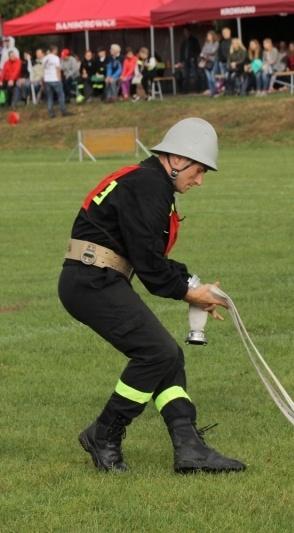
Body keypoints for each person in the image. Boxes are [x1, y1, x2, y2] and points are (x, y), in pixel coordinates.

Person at [59, 117, 246, 474]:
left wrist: (192, 284)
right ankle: (104, 434)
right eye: (198, 170)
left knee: (167, 355)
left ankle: (189, 447)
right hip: (91, 281)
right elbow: (149, 267)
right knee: (156, 352)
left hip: (95, 278)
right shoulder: (149, 186)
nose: (200, 180)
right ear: (176, 159)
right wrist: (190, 292)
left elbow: (149, 258)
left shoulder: (147, 182)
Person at [42, 44, 70, 118]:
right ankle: (63, 111)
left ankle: (51, 113)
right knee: (60, 96)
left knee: (50, 97)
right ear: (54, 50)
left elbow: (44, 69)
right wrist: (60, 79)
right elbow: (58, 69)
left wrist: (44, 78)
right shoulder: (56, 58)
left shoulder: (45, 58)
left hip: (47, 80)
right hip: (54, 79)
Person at [177, 27, 201, 93]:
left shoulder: (194, 40)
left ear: (189, 32)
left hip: (192, 59)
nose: (185, 33)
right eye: (184, 32)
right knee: (185, 75)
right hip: (185, 59)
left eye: (186, 31)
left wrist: (194, 56)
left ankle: (198, 89)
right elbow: (181, 51)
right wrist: (181, 61)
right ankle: (185, 90)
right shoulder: (183, 41)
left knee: (195, 74)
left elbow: (198, 50)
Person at [200, 30, 220, 97]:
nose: (208, 37)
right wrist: (206, 52)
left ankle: (216, 92)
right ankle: (211, 92)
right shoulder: (206, 43)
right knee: (208, 78)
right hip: (206, 62)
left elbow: (213, 51)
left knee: (213, 77)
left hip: (213, 61)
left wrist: (206, 52)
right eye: (207, 36)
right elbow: (202, 51)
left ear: (213, 36)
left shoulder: (216, 43)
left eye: (209, 35)